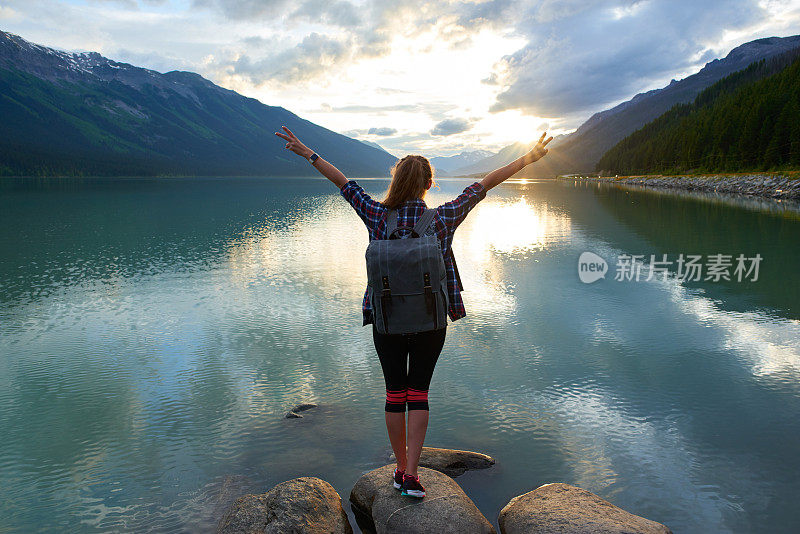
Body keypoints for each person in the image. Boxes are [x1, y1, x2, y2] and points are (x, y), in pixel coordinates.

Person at [275, 126, 552, 498]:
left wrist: (307, 152)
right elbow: (484, 185)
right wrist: (528, 157)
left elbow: (343, 182)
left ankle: (397, 467)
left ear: (397, 181)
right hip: (430, 319)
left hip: (386, 318)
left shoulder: (375, 214)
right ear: (428, 184)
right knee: (418, 393)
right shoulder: (441, 218)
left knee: (394, 394)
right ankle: (411, 474)